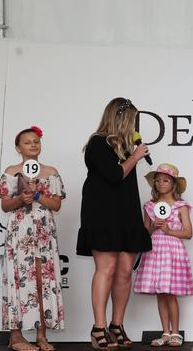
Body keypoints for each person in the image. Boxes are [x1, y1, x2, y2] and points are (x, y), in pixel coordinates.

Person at [76, 97, 152, 349]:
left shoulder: (128, 146)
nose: (133, 124)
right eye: (132, 119)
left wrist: (134, 152)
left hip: (126, 212)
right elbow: (115, 174)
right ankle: (98, 327)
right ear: (119, 118)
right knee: (106, 268)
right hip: (102, 212)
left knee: (124, 272)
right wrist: (137, 156)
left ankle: (116, 325)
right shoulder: (98, 143)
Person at [0, 126, 65, 351]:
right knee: (18, 278)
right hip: (20, 230)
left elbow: (56, 205)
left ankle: (41, 336)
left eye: (36, 141)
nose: (33, 144)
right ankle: (16, 337)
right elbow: (6, 205)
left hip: (43, 231)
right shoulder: (10, 171)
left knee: (42, 280)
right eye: (27, 142)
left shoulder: (51, 172)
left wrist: (36, 194)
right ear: (18, 148)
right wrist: (21, 198)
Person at [134, 163, 193, 348]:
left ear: (173, 184)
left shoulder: (180, 206)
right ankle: (165, 332)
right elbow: (146, 232)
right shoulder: (150, 206)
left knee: (170, 294)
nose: (161, 183)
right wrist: (154, 226)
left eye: (165, 180)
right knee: (160, 293)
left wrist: (168, 230)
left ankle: (176, 332)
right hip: (155, 250)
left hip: (172, 251)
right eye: (158, 180)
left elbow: (188, 233)